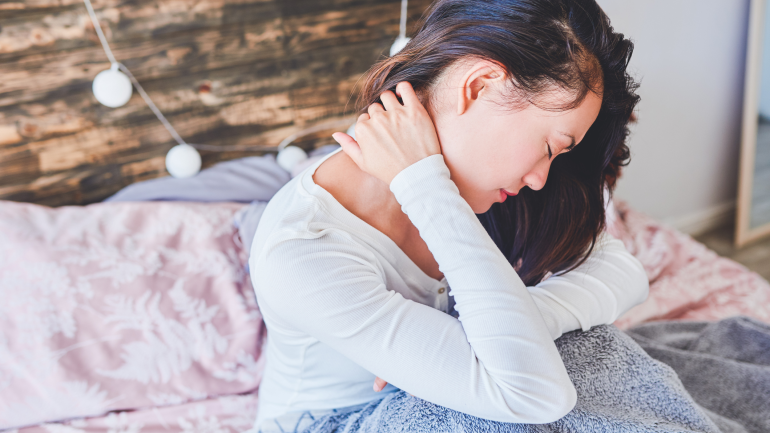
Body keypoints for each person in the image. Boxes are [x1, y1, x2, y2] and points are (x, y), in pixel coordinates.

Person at [248, 0, 646, 431]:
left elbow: (624, 272)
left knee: (590, 352)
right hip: (335, 420)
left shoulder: (489, 183)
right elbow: (536, 395)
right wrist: (426, 189)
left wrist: (528, 313)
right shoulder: (302, 250)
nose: (539, 179)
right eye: (549, 147)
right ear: (480, 86)